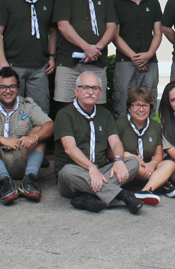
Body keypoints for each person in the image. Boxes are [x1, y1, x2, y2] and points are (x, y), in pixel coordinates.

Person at [54, 72, 144, 214]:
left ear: (100, 92)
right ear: (76, 91)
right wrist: (91, 168)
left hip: (102, 170)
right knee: (67, 172)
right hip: (76, 173)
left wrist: (119, 160)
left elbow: (116, 143)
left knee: (132, 162)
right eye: (85, 87)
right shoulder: (65, 114)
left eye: (95, 88)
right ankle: (122, 195)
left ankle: (87, 197)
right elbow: (69, 148)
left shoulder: (105, 114)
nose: (90, 92)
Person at [0, 67, 54, 204]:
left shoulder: (27, 105)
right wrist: (0, 139)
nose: (8, 91)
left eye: (12, 86)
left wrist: (33, 137)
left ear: (18, 88)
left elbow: (50, 125)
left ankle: (30, 180)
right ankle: (5, 184)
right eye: (2, 87)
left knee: (39, 130)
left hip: (22, 158)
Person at [0, 0, 57, 114]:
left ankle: (38, 132)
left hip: (40, 67)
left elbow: (53, 31)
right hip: (13, 66)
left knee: (40, 111)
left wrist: (52, 55)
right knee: (10, 109)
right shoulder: (6, 1)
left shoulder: (47, 2)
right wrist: (2, 61)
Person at [53, 0, 118, 105]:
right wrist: (86, 47)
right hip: (69, 63)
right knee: (67, 106)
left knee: (96, 105)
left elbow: (112, 27)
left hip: (97, 61)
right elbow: (63, 25)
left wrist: (96, 49)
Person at [112, 0, 163, 117]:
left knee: (148, 102)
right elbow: (114, 35)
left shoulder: (153, 3)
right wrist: (134, 57)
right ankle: (123, 132)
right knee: (123, 102)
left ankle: (148, 132)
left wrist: (148, 54)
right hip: (125, 62)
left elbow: (158, 33)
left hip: (149, 62)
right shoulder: (116, 4)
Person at [113, 88, 175, 205]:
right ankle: (163, 183)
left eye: (145, 106)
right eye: (136, 105)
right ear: (129, 108)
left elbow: (158, 154)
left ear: (150, 108)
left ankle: (145, 191)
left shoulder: (155, 126)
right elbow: (111, 152)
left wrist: (152, 164)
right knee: (129, 158)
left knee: (169, 164)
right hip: (129, 171)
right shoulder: (120, 124)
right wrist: (132, 158)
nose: (141, 109)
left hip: (148, 170)